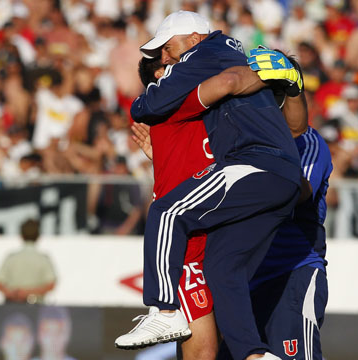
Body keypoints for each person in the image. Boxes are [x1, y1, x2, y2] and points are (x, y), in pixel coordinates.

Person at [116, 11, 305, 360]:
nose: (168, 58)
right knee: (224, 269)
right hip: (274, 183)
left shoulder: (202, 59)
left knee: (166, 210)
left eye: (169, 49)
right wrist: (287, 76)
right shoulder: (233, 73)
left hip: (252, 168)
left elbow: (153, 104)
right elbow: (295, 128)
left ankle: (163, 311)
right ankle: (255, 356)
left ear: (193, 39)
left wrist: (143, 102)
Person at [0, 219, 57, 304]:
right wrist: (29, 293)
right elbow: (51, 285)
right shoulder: (43, 259)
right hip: (36, 306)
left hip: (12, 306)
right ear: (38, 237)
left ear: (21, 236)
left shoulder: (11, 258)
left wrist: (14, 294)